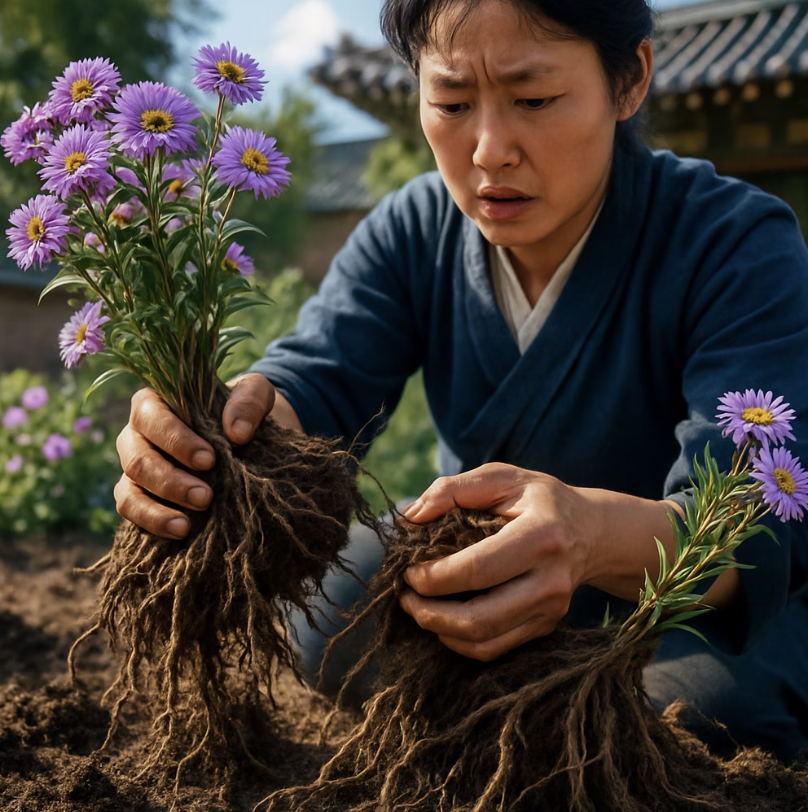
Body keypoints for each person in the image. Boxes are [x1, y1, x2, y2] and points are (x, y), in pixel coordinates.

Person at [114, 0, 808, 760]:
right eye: (450, 102)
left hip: (679, 615)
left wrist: (584, 536)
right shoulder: (414, 228)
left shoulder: (735, 242)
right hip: (478, 592)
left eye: (534, 100)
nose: (488, 150)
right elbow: (315, 381)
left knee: (678, 721)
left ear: (629, 80)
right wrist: (216, 435)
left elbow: (749, 519)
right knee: (330, 616)